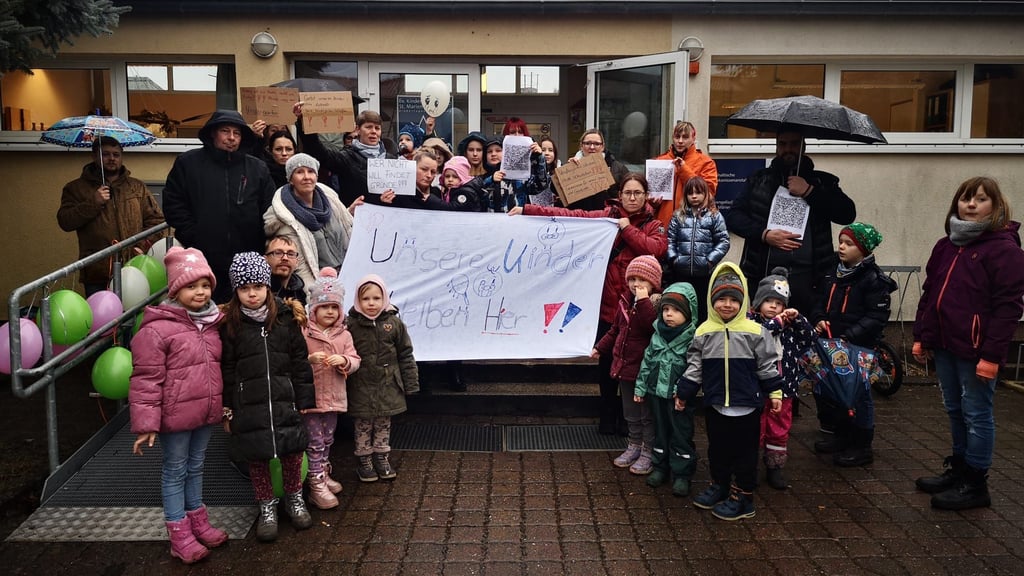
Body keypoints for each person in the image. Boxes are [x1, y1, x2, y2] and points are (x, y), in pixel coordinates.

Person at [511, 173, 667, 436]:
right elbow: (571, 216)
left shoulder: (654, 225)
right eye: (627, 193)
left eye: (637, 193)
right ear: (620, 194)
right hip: (609, 308)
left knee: (634, 367)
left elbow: (655, 249)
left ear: (645, 196)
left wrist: (626, 228)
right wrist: (528, 210)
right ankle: (608, 418)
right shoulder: (606, 217)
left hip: (639, 310)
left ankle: (635, 424)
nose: (632, 198)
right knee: (606, 366)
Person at [913, 177, 1024, 510]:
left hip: (977, 351)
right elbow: (930, 293)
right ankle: (959, 469)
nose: (971, 204)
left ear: (996, 206)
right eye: (965, 198)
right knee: (954, 408)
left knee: (977, 413)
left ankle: (976, 483)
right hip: (946, 343)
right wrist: (922, 335)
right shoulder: (946, 245)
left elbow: (1009, 308)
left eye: (980, 199)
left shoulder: (1004, 250)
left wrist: (991, 356)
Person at [129, 246, 226, 564]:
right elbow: (146, 379)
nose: (200, 292)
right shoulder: (156, 329)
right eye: (191, 286)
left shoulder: (213, 322)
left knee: (196, 466)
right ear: (175, 289)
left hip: (204, 414)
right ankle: (178, 532)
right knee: (175, 470)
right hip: (175, 417)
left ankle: (198, 521)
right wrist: (146, 424)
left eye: (204, 285)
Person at [219, 252, 315, 542]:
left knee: (291, 454)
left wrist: (305, 400)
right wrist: (227, 408)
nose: (252, 294)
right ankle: (267, 506)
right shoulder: (232, 324)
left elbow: (300, 361)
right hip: (250, 405)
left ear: (267, 286)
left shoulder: (285, 319)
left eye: (258, 287)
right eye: (245, 288)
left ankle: (295, 498)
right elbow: (228, 367)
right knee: (257, 460)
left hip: (285, 401)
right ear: (236, 290)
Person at [677, 262, 782, 521]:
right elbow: (694, 367)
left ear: (743, 301)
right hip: (716, 405)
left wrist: (775, 393)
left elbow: (767, 365)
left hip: (747, 406)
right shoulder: (704, 332)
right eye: (721, 299)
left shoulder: (755, 331)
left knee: (745, 455)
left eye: (733, 300)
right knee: (718, 450)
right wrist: (684, 392)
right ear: (712, 301)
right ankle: (720, 484)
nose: (727, 305)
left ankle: (744, 497)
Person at [725, 129, 856, 313]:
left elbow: (847, 214)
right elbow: (733, 217)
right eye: (783, 144)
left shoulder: (823, 181)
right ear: (777, 146)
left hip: (811, 278)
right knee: (767, 333)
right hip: (764, 274)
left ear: (804, 146)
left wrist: (809, 191)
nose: (788, 149)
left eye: (794, 144)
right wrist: (764, 234)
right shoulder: (759, 180)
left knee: (805, 332)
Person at [163, 110, 276, 303]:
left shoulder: (257, 168)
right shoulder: (188, 163)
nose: (231, 138)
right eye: (225, 131)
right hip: (203, 258)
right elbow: (173, 203)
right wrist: (194, 234)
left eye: (237, 133)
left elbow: (270, 208)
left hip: (246, 258)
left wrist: (262, 242)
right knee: (205, 311)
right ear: (212, 133)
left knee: (244, 314)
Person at [810, 222, 895, 467]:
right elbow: (818, 300)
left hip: (858, 348)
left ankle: (861, 444)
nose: (842, 248)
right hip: (831, 345)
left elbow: (877, 316)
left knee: (859, 396)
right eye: (841, 242)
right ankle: (842, 435)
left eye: (849, 244)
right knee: (835, 392)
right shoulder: (832, 273)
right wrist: (818, 319)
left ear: (863, 249)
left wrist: (850, 336)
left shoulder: (873, 279)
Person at [57, 135, 166, 295]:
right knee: (103, 316)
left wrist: (142, 246)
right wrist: (94, 202)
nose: (111, 159)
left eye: (116, 154)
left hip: (134, 267)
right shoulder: (75, 188)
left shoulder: (136, 187)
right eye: (105, 154)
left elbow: (156, 220)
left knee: (133, 315)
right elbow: (65, 221)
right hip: (97, 271)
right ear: (94, 156)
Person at [346, 274, 419, 482]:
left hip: (387, 384)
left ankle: (382, 457)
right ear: (358, 301)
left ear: (384, 298)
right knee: (363, 424)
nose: (371, 303)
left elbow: (405, 354)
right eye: (366, 299)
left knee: (383, 424)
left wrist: (410, 383)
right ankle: (364, 460)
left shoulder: (394, 324)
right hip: (360, 385)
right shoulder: (351, 325)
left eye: (376, 298)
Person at [593, 255, 662, 475]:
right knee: (630, 412)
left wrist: (642, 302)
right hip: (624, 367)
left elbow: (651, 327)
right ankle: (633, 445)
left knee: (646, 414)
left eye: (642, 280)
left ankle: (648, 451)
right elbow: (615, 330)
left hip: (644, 371)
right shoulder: (623, 301)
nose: (636, 284)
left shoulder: (655, 304)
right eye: (632, 279)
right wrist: (600, 348)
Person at [748, 267, 815, 489]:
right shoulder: (752, 322)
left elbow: (809, 339)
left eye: (779, 303)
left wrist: (798, 320)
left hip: (785, 388)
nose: (774, 306)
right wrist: (776, 324)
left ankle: (774, 467)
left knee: (778, 428)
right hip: (757, 388)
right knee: (755, 427)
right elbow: (758, 339)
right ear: (759, 302)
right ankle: (750, 466)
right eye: (769, 301)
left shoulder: (790, 327)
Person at [301, 267, 361, 510]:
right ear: (314, 309)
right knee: (314, 440)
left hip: (334, 398)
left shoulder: (344, 334)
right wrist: (309, 360)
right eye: (324, 307)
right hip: (312, 399)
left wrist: (344, 361)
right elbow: (293, 360)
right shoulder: (304, 332)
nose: (329, 311)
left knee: (327, 439)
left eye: (334, 307)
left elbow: (355, 359)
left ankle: (323, 473)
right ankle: (315, 483)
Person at [634, 282, 699, 498]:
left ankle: (682, 473)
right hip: (656, 392)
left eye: (677, 310)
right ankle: (660, 466)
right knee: (660, 432)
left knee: (681, 433)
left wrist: (684, 392)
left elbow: (694, 368)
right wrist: (641, 387)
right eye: (666, 309)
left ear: (689, 313)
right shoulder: (657, 334)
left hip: (678, 397)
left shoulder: (692, 338)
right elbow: (647, 361)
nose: (670, 314)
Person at [262, 153, 354, 291]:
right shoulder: (285, 217)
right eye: (299, 172)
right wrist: (315, 298)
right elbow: (302, 268)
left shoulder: (330, 199)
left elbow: (347, 232)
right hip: (321, 286)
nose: (306, 177)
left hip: (348, 275)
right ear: (290, 179)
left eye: (310, 171)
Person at [295, 105, 396, 206]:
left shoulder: (391, 159)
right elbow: (319, 154)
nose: (373, 131)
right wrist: (304, 121)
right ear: (358, 129)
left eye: (377, 128)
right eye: (368, 127)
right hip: (354, 218)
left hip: (387, 217)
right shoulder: (346, 157)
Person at [665, 176, 730, 323]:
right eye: (690, 193)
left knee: (703, 311)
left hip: (704, 275)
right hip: (681, 273)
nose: (694, 196)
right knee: (682, 309)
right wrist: (675, 259)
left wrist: (709, 260)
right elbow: (670, 240)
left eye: (698, 192)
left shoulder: (714, 216)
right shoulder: (678, 216)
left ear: (706, 194)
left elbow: (723, 241)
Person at [652, 121, 719, 228]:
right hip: (663, 225)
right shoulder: (660, 161)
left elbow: (708, 194)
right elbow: (650, 198)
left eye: (685, 137)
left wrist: (684, 170)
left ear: (693, 138)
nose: (680, 141)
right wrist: (653, 203)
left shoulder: (706, 162)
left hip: (692, 226)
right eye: (677, 137)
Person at [478, 130, 549, 212]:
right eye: (489, 151)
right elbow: (476, 195)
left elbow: (540, 186)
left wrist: (540, 157)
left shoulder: (521, 177)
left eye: (498, 150)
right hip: (492, 222)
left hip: (518, 221)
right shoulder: (483, 178)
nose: (493, 154)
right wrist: (491, 180)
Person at [568, 128, 630, 211]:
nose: (592, 147)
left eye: (596, 144)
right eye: (587, 143)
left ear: (602, 147)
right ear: (581, 145)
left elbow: (627, 194)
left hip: (606, 218)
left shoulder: (618, 168)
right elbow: (558, 192)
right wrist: (570, 170)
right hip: (579, 219)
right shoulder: (572, 165)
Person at [265, 235, 307, 305]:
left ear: (297, 262)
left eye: (290, 254)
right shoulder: (258, 291)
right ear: (265, 260)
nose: (285, 258)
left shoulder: (299, 292)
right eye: (278, 253)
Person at [534, 136, 560, 207]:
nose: (547, 153)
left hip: (555, 213)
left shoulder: (560, 169)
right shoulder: (531, 171)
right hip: (534, 211)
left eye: (551, 150)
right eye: (543, 150)